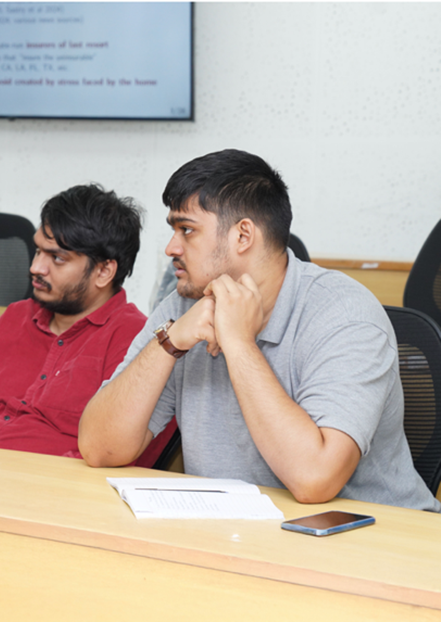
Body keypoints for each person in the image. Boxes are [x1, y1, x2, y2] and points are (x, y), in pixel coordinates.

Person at [79, 149, 440, 512]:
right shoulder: (184, 304)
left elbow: (314, 479)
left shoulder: (346, 315)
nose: (172, 247)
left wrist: (238, 342)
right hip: (245, 534)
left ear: (243, 235)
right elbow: (99, 447)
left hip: (375, 540)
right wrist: (169, 342)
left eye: (186, 230)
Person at [0, 185, 175, 466]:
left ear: (104, 271)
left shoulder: (137, 341)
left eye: (57, 258)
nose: (36, 267)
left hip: (50, 493)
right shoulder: (14, 317)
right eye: (38, 251)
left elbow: (120, 455)